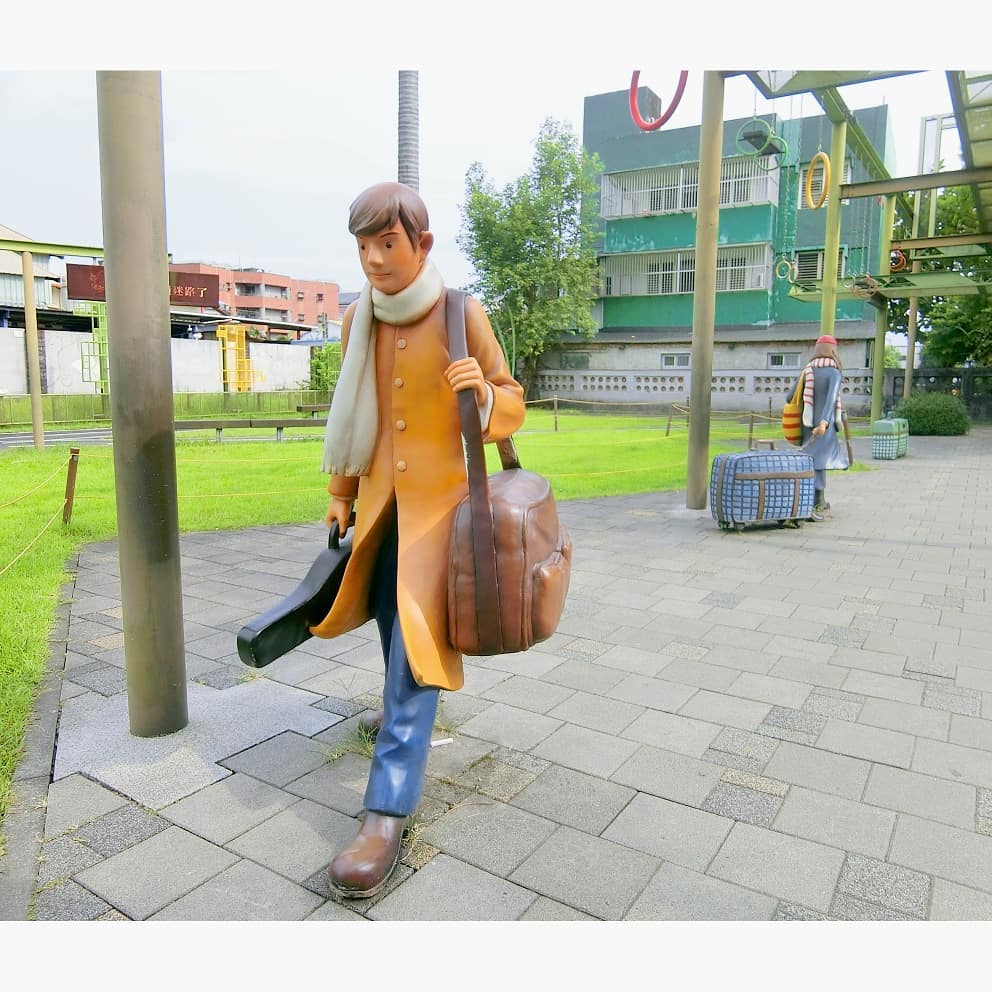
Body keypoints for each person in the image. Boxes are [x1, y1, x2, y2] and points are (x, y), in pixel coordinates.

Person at [308, 181, 525, 898]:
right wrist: (342, 493)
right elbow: (350, 411)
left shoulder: (461, 313)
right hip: (380, 510)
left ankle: (385, 811)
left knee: (417, 643)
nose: (374, 259)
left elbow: (512, 399)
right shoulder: (357, 319)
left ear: (421, 244)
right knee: (385, 616)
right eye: (363, 246)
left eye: (387, 243)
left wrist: (484, 394)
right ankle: (400, 706)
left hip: (440, 515)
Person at [796, 333, 849, 520]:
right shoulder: (834, 372)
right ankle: (815, 501)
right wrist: (824, 422)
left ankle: (814, 499)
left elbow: (790, 396)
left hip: (807, 421)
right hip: (824, 425)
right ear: (834, 350)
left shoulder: (807, 370)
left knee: (811, 459)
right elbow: (831, 399)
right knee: (819, 461)